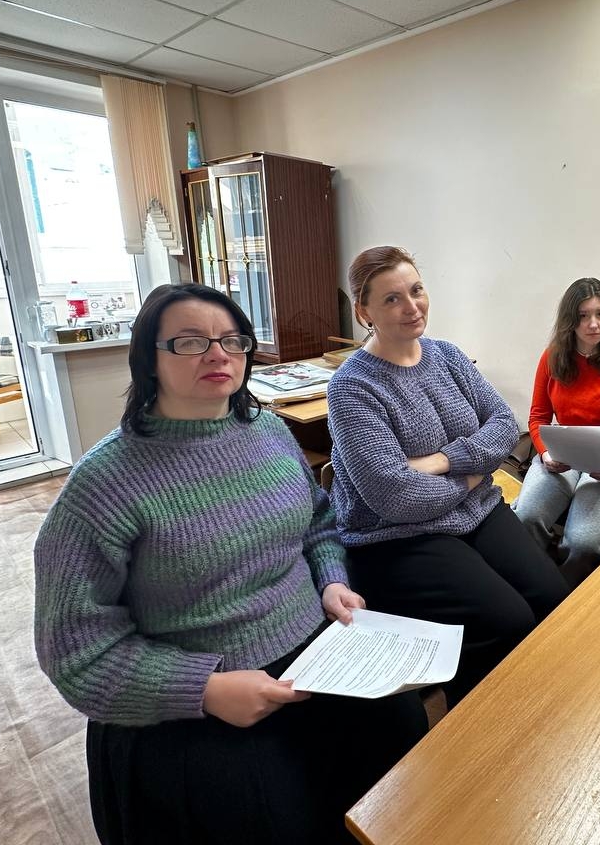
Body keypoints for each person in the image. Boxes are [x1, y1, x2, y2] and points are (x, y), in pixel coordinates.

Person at [33, 282, 425, 845]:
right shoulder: (103, 485)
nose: (218, 354)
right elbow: (76, 655)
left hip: (314, 656)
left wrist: (331, 580)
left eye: (232, 340)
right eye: (190, 342)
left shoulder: (268, 431)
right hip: (197, 690)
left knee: (401, 732)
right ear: (148, 359)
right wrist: (204, 689)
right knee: (270, 813)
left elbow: (318, 522)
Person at [327, 246, 570, 706]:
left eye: (416, 290)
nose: (412, 306)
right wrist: (475, 473)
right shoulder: (352, 387)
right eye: (392, 299)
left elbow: (504, 423)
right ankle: (474, 724)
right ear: (364, 312)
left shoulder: (447, 356)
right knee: (506, 620)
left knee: (554, 597)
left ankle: (534, 703)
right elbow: (396, 497)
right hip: (397, 537)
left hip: (476, 511)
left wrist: (443, 461)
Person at [513, 278, 600, 585]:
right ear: (569, 320)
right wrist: (545, 454)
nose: (594, 324)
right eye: (583, 316)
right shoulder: (552, 357)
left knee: (584, 543)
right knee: (526, 518)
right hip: (563, 446)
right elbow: (538, 417)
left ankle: (565, 595)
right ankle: (534, 584)